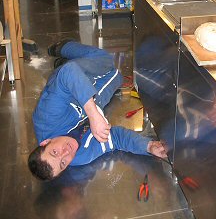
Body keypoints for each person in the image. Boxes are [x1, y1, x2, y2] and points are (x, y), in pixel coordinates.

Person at [28, 40, 167, 181]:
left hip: (66, 82)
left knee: (104, 59)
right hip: (95, 98)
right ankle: (69, 62)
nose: (66, 152)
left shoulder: (47, 116)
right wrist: (148, 146)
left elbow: (68, 72)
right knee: (117, 76)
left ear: (45, 142)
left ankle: (60, 47)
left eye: (55, 152)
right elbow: (116, 138)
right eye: (63, 163)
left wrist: (93, 115)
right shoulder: (82, 156)